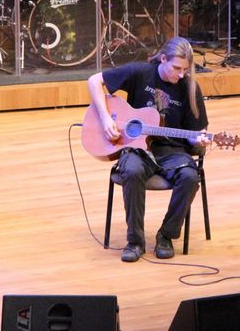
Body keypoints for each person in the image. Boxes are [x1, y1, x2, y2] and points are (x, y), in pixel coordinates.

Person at [87, 36, 211, 262]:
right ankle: (135, 241)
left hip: (173, 151)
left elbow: (196, 132)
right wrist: (105, 118)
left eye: (185, 69)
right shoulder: (141, 72)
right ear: (163, 59)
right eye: (176, 68)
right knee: (132, 171)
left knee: (190, 177)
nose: (181, 74)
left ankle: (166, 235)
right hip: (138, 149)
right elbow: (94, 80)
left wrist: (199, 140)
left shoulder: (190, 88)